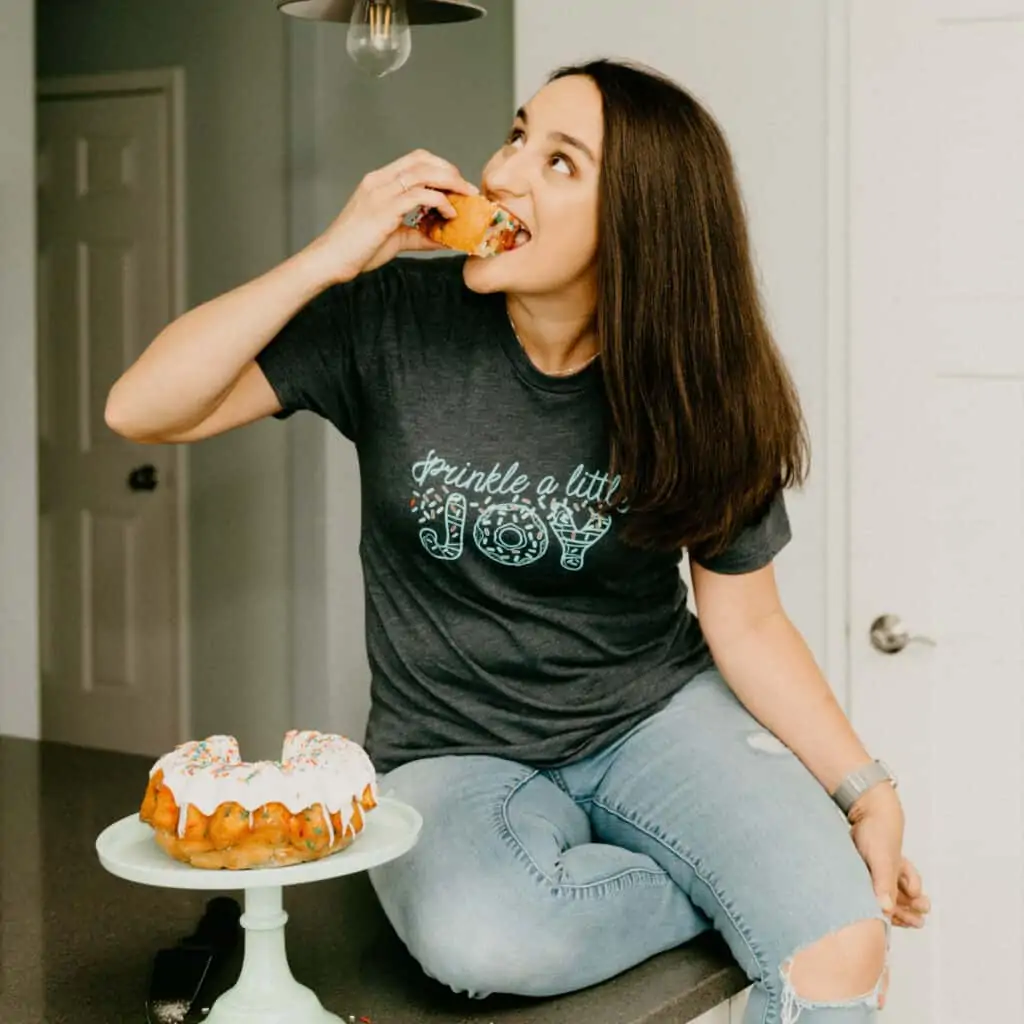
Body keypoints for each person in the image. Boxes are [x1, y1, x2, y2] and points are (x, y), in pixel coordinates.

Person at [107, 59, 930, 1023]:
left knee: (842, 946)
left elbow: (747, 626)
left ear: (638, 224)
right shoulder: (394, 321)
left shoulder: (702, 380)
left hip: (652, 716)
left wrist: (863, 789)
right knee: (483, 942)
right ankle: (724, 881)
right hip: (452, 749)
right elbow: (142, 408)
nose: (500, 174)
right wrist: (330, 257)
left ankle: (763, 877)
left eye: (560, 162)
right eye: (516, 135)